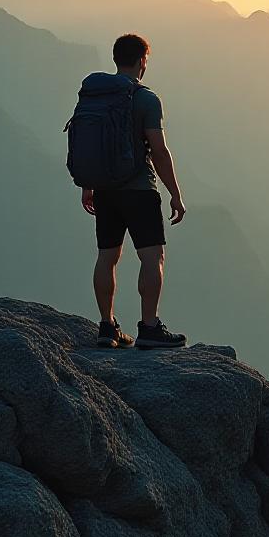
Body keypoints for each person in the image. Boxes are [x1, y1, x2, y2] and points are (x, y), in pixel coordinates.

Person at [79, 34, 188, 349]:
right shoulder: (145, 99)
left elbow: (89, 142)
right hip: (139, 190)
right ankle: (150, 327)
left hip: (104, 189)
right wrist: (175, 194)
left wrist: (88, 184)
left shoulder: (95, 95)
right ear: (142, 61)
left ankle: (106, 327)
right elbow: (158, 150)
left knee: (107, 256)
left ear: (116, 59)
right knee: (152, 257)